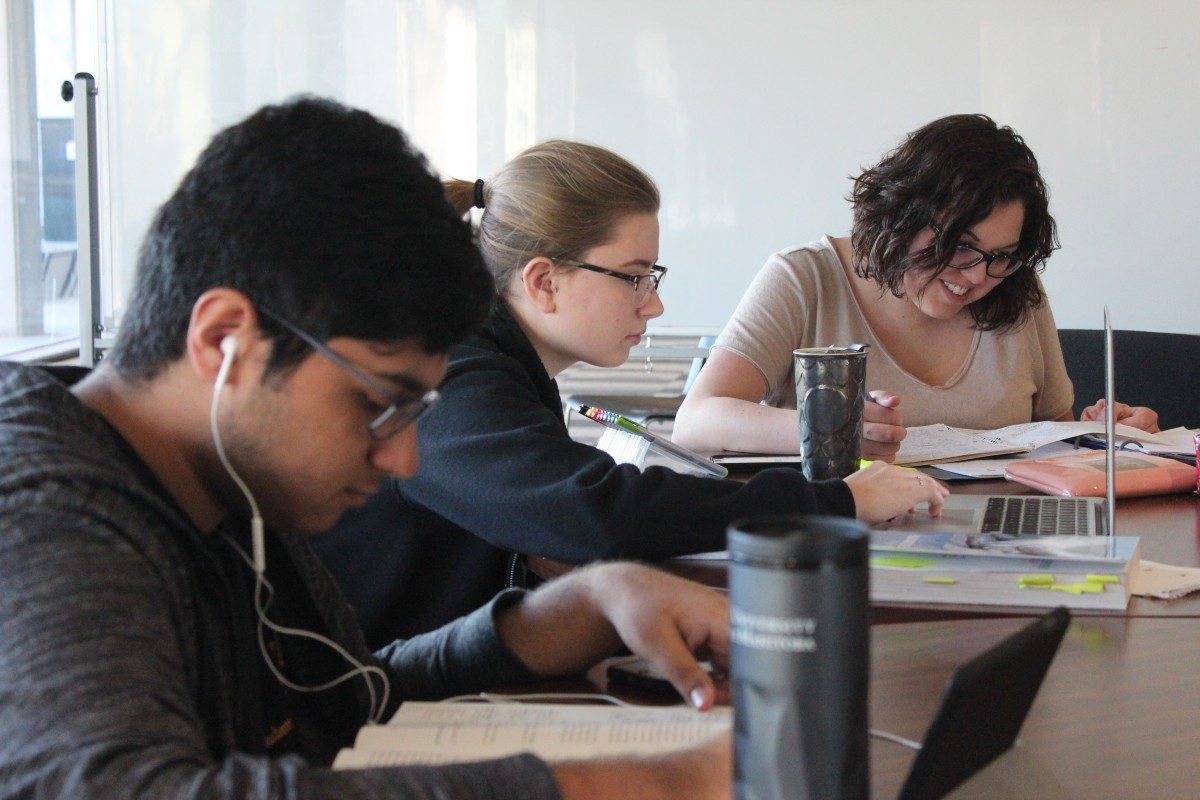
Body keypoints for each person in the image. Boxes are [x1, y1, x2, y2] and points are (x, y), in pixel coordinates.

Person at [0, 97, 737, 800]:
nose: (405, 460)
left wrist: (569, 611)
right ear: (227, 342)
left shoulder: (234, 491)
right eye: (379, 404)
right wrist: (653, 783)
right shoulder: (43, 512)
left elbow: (343, 696)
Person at [313, 139, 947, 645]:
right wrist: (831, 501)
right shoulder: (452, 371)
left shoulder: (493, 360)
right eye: (634, 279)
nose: (656, 303)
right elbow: (593, 509)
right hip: (383, 704)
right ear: (544, 282)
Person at [671, 114, 1159, 461]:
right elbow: (696, 422)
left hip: (999, 541)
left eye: (1001, 256)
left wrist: (1103, 434)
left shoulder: (1017, 292)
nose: (975, 276)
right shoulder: (804, 279)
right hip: (844, 535)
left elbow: (1053, 435)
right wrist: (831, 430)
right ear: (902, 215)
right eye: (959, 245)